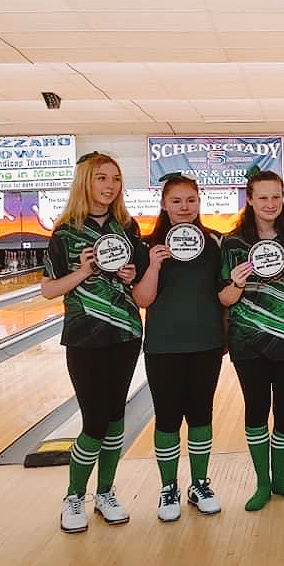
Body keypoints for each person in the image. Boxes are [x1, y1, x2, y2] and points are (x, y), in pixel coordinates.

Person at [41, 151, 148, 533]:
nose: (110, 186)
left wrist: (131, 274)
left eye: (116, 179)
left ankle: (105, 491)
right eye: (102, 178)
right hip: (84, 335)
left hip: (124, 334)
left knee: (116, 416)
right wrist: (83, 271)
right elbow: (49, 289)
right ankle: (73, 496)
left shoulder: (129, 228)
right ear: (87, 181)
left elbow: (137, 286)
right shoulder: (65, 232)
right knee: (94, 420)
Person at [132, 173, 224, 521]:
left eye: (191, 200)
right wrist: (154, 264)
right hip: (163, 345)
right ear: (164, 204)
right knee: (168, 418)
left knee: (201, 415)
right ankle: (168, 487)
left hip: (207, 343)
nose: (184, 207)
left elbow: (224, 294)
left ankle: (200, 483)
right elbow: (142, 298)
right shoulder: (146, 247)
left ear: (199, 202)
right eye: (176, 201)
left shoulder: (214, 243)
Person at [219, 170, 284, 511]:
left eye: (276, 197)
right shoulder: (232, 242)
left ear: (283, 199)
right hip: (248, 340)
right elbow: (225, 299)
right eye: (263, 197)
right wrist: (237, 283)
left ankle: (281, 479)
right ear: (250, 200)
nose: (270, 204)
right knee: (257, 410)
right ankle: (262, 483)